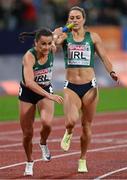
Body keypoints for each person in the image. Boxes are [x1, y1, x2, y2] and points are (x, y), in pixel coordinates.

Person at [53, 6, 119, 173]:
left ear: (83, 20)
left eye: (77, 17)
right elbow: (53, 46)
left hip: (90, 86)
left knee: (86, 125)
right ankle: (68, 131)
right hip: (71, 86)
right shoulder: (65, 37)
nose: (74, 20)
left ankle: (82, 159)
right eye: (71, 18)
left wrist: (111, 71)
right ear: (68, 21)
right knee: (71, 120)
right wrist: (56, 33)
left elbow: (104, 57)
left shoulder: (93, 37)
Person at [18, 28, 63, 176]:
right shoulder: (29, 57)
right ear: (35, 43)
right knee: (27, 134)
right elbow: (30, 83)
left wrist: (66, 27)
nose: (46, 47)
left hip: (45, 90)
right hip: (28, 93)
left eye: (49, 44)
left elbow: (57, 33)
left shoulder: (52, 48)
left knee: (47, 123)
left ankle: (43, 142)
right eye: (42, 44)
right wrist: (49, 96)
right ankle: (29, 161)